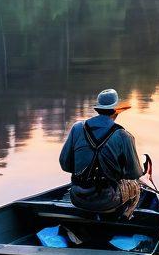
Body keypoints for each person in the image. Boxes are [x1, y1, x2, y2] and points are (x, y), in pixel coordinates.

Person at [59, 88, 145, 216]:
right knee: (135, 186)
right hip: (107, 199)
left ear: (98, 109)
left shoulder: (77, 128)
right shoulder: (124, 136)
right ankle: (124, 219)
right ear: (116, 111)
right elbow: (134, 173)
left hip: (77, 196)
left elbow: (65, 165)